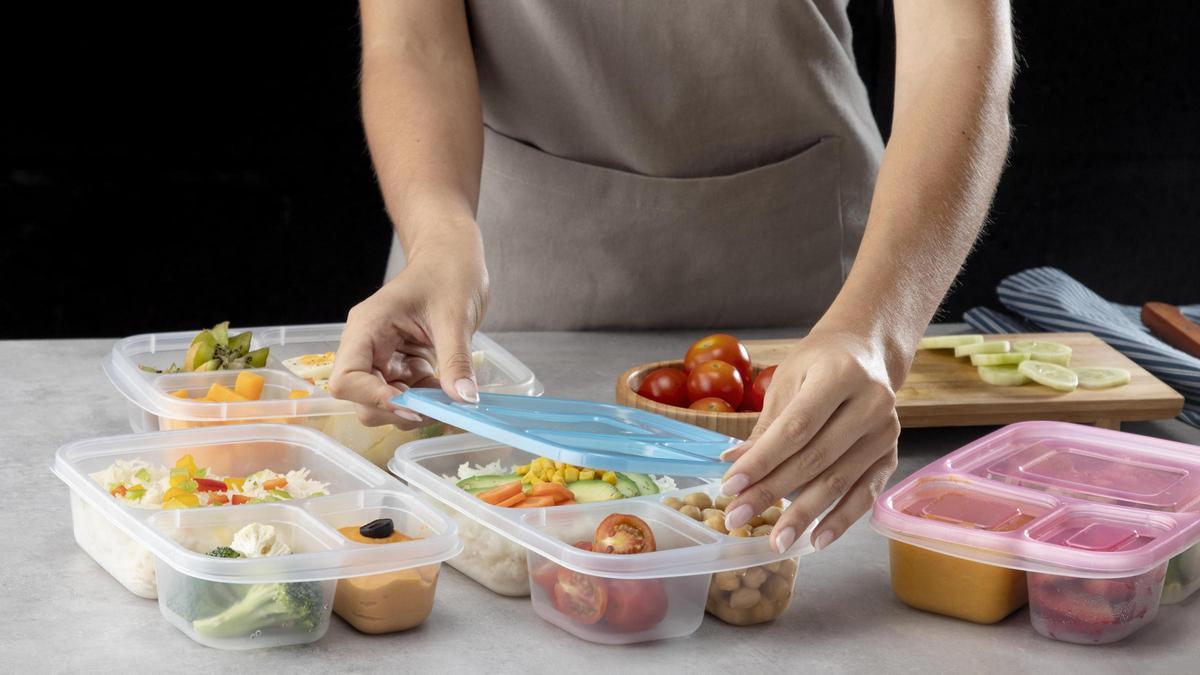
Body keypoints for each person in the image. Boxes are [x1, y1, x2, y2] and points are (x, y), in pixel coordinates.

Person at [332, 1, 1014, 554]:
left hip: (816, 291)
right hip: (502, 284)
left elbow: (956, 42)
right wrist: (437, 232)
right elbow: (410, 39)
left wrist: (877, 328)